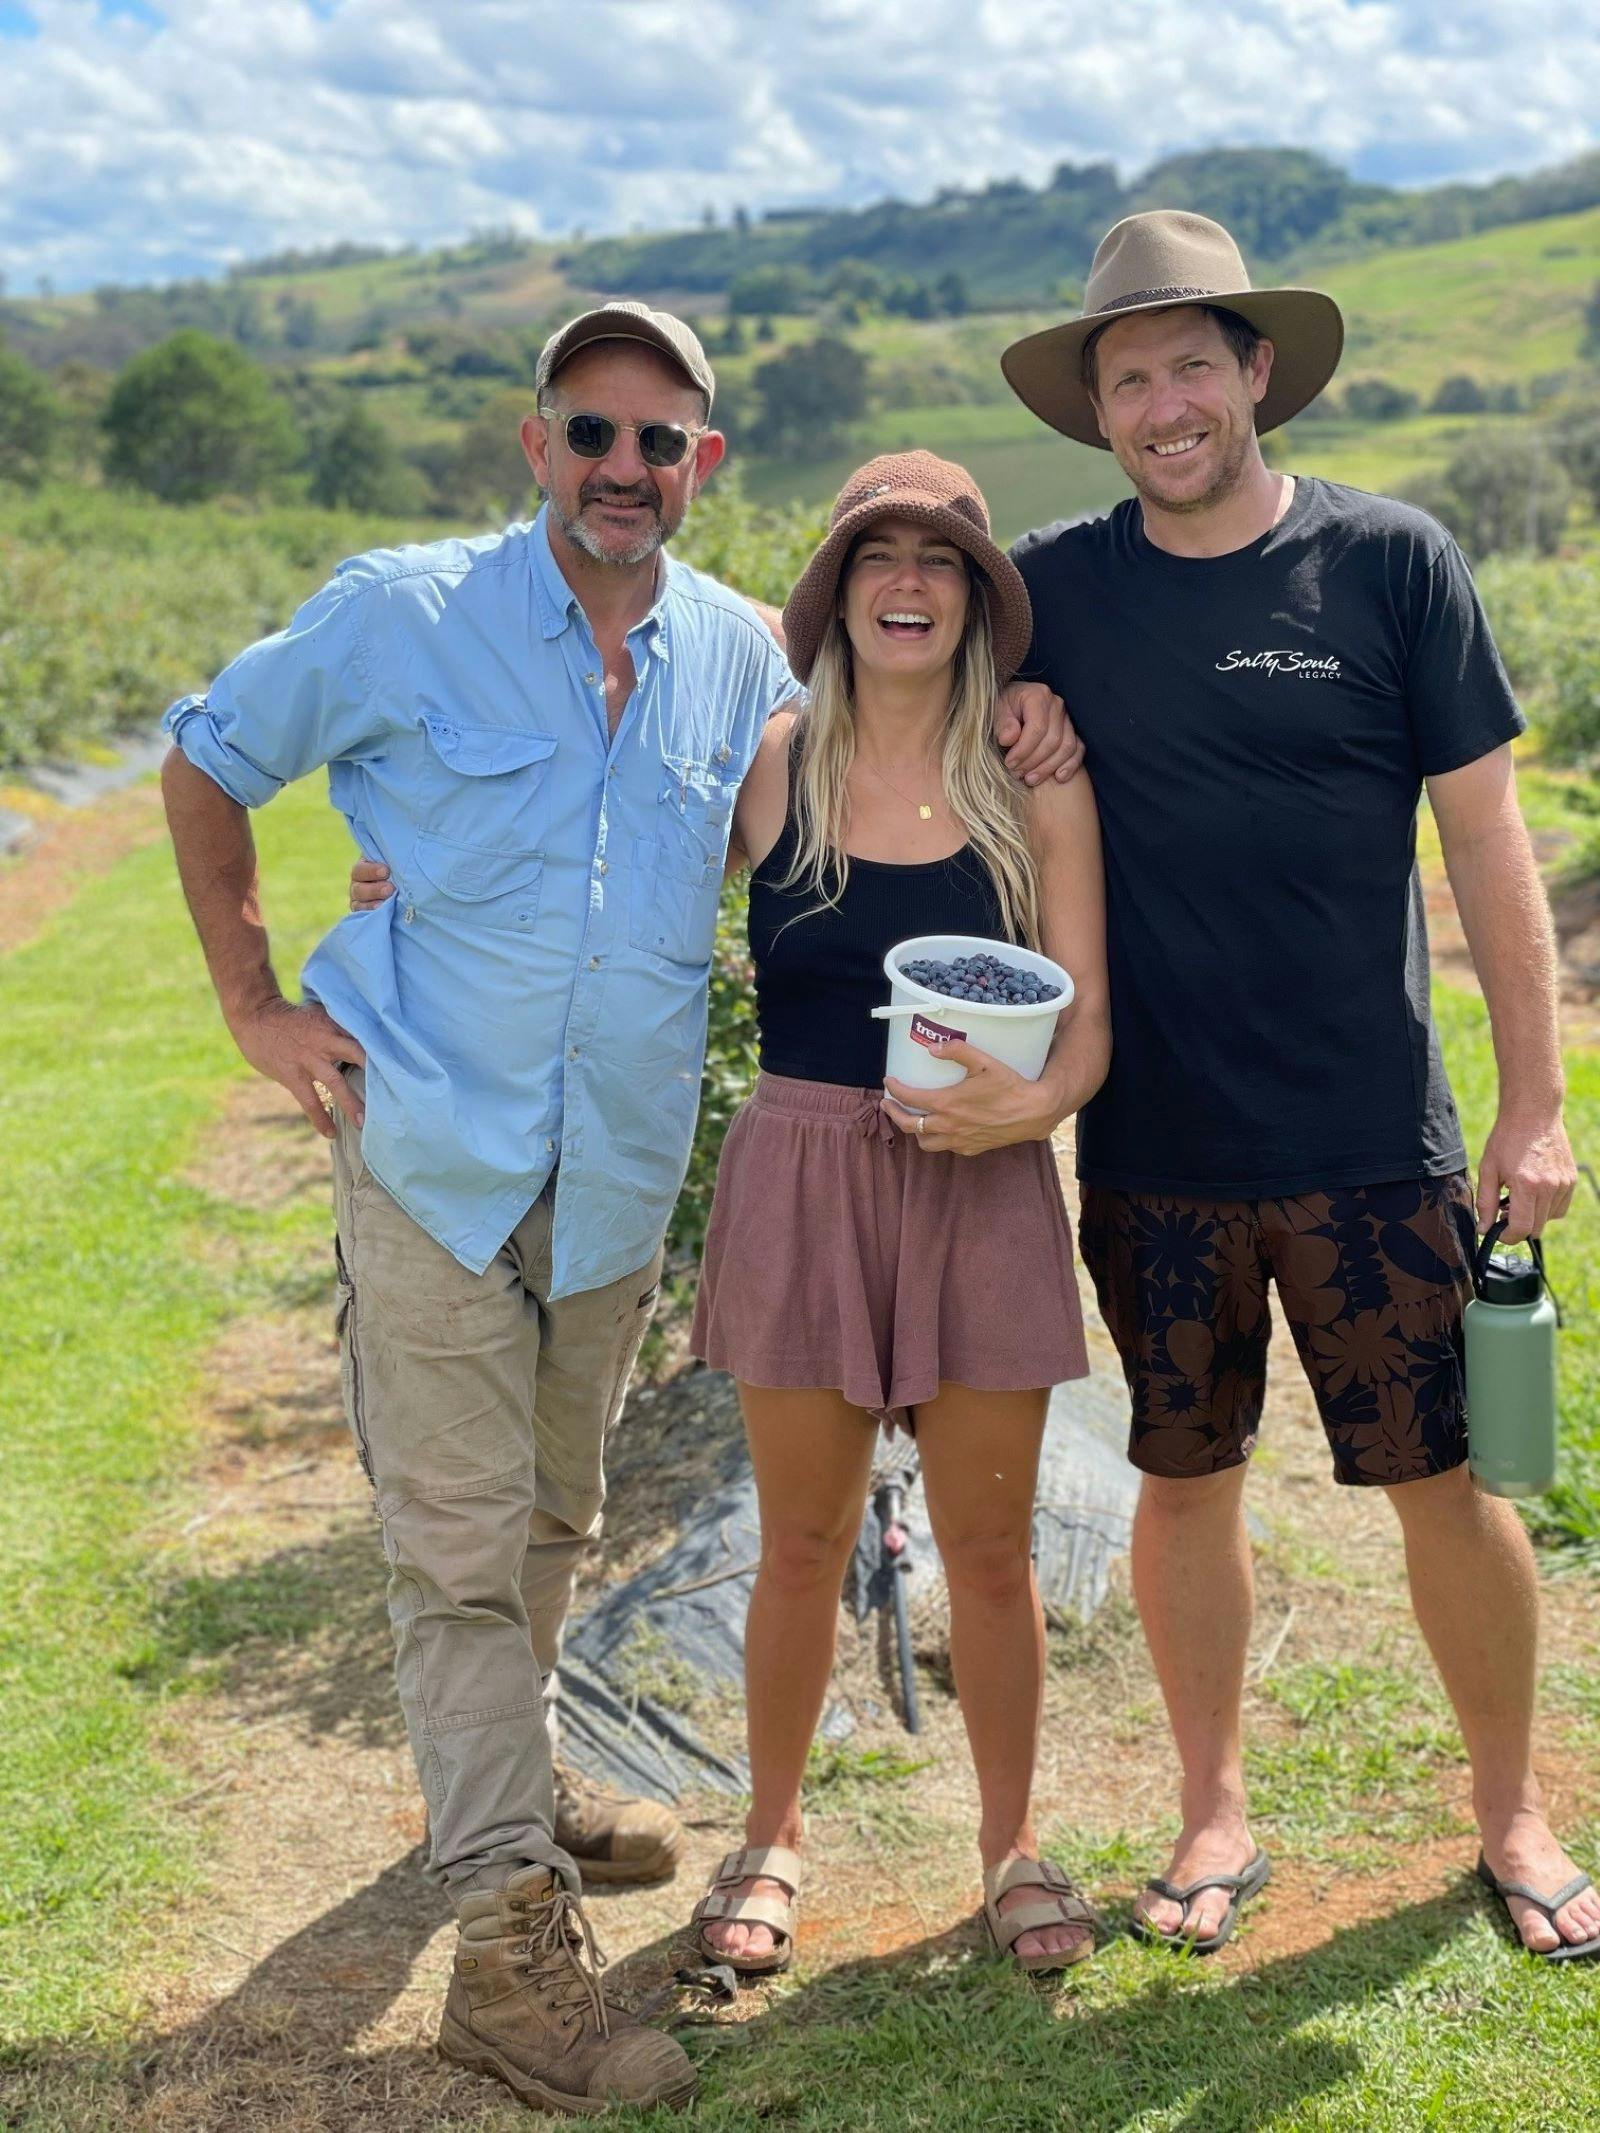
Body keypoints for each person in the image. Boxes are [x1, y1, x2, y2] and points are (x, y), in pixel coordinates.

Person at [162, 302, 1079, 2118]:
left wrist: (1029, 704)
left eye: (660, 440)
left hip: (616, 1173)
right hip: (432, 1146)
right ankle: (511, 1954)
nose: (623, 466)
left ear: (701, 464)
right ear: (538, 442)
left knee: (557, 1512)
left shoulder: (737, 659)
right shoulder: (402, 612)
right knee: (455, 1537)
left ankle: (508, 1782)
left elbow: (854, 760)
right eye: (591, 429)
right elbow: (205, 758)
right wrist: (256, 1002)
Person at [999, 210, 1600, 1962]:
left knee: (1446, 1482)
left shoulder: (1392, 563)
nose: (1164, 405)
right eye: (1129, 379)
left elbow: (1486, 840)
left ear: (1257, 371)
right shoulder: (1052, 591)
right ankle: (1213, 1806)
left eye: (1192, 365)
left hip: (1369, 1137)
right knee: (1186, 1479)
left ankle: (1514, 1807)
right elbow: (881, 656)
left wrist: (1535, 1102)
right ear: (1098, 410)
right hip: (1156, 1141)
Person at [683, 453, 1110, 1978]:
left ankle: (1012, 1844)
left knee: (989, 1549)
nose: (909, 581)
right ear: (840, 590)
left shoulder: (1034, 779)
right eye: (878, 555)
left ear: (978, 601)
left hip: (980, 1179)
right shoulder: (773, 765)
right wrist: (409, 878)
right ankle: (770, 1834)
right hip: (801, 1175)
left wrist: (1034, 1110)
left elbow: (1087, 1027)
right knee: (800, 1542)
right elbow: (608, 884)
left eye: (941, 559)